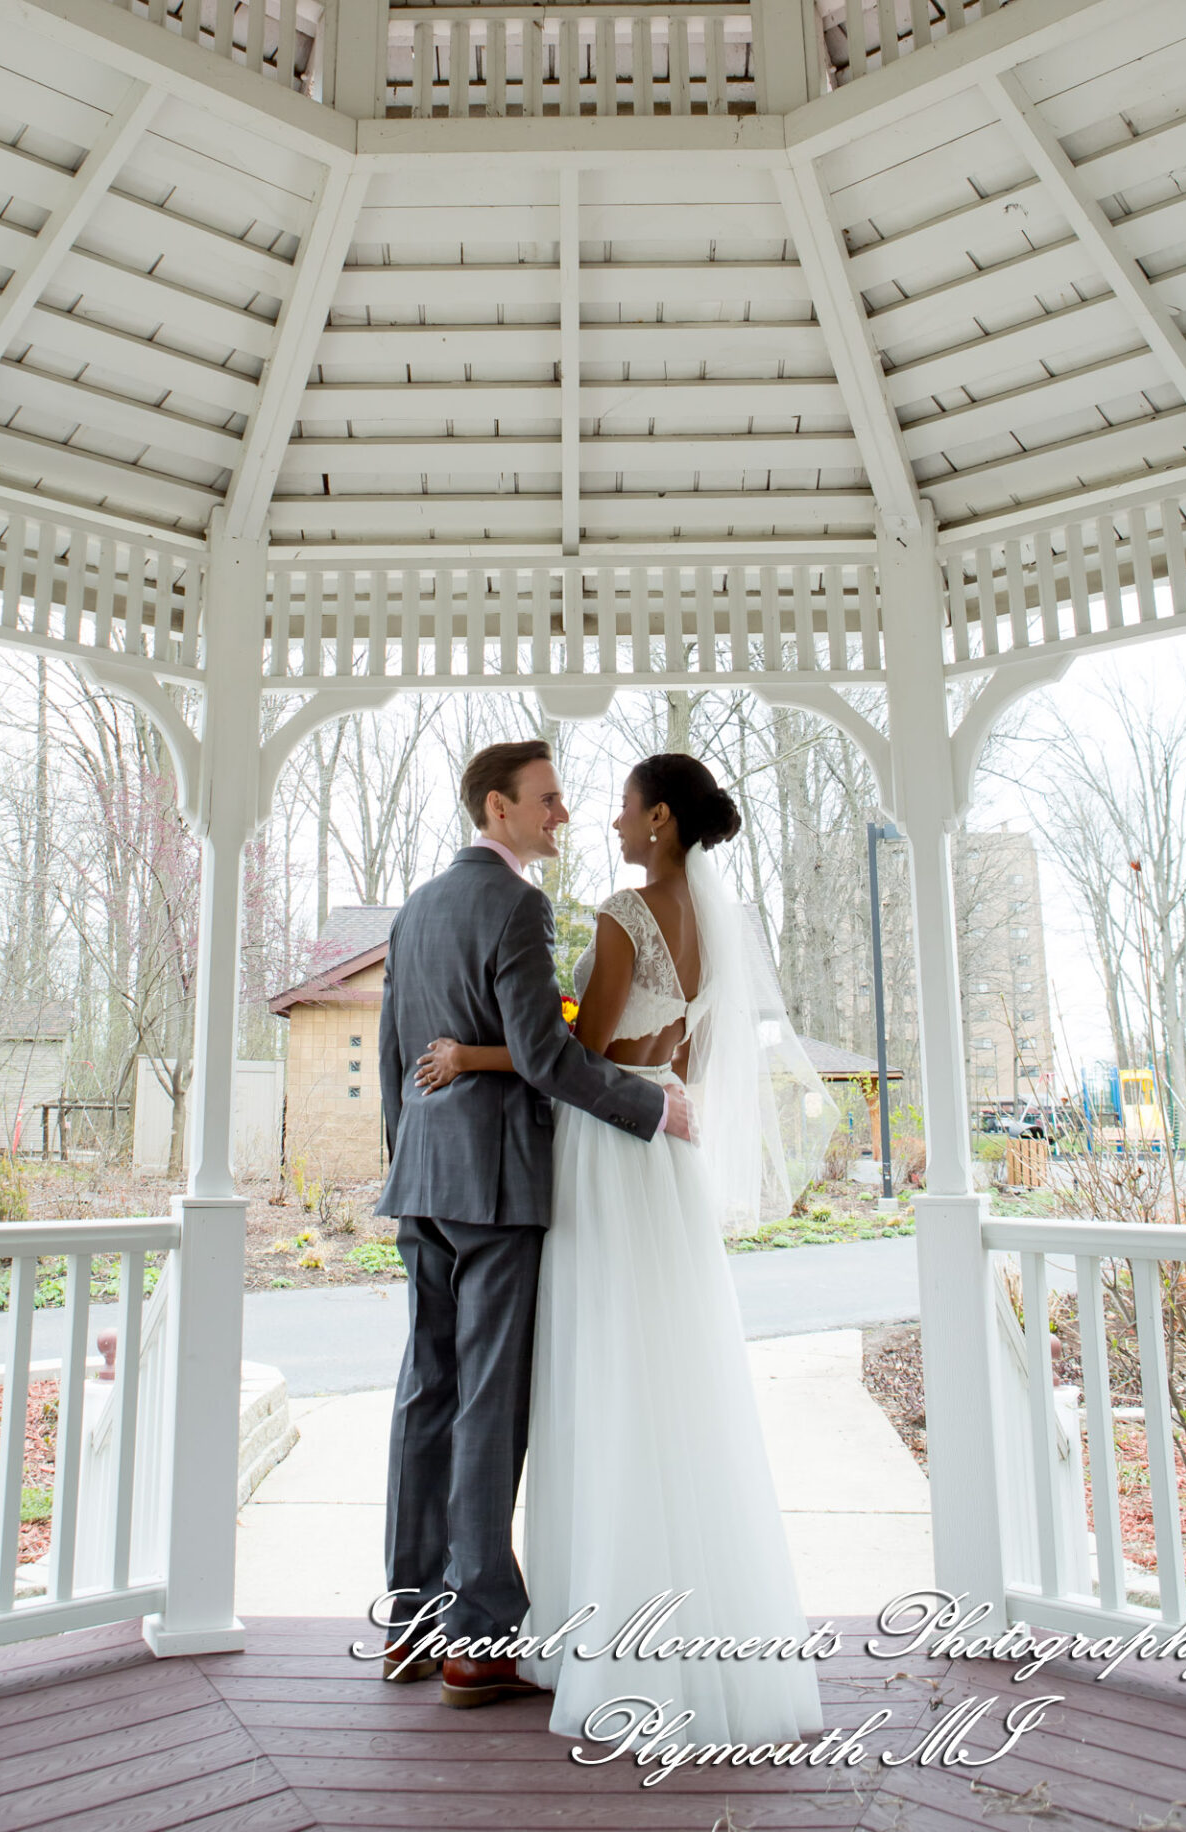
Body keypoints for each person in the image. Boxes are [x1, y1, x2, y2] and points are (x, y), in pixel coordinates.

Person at [414, 751, 832, 1744]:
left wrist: (473, 1051)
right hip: (669, 1151)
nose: (606, 820)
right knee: (672, 1381)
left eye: (625, 808)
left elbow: (572, 1051)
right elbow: (684, 1058)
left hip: (608, 1151)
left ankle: (596, 1632)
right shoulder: (719, 931)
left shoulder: (622, 911)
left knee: (600, 1378)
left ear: (663, 823)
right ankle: (692, 1629)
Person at [373, 738, 697, 1709]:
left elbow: (397, 1057)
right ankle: (477, 1638)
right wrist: (659, 1110)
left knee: (426, 1392)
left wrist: (405, 1162)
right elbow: (547, 1058)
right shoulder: (517, 903)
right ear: (496, 808)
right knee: (485, 1407)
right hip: (498, 1186)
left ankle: (408, 1622)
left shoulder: (418, 907)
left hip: (423, 1180)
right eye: (548, 800)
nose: (562, 813)